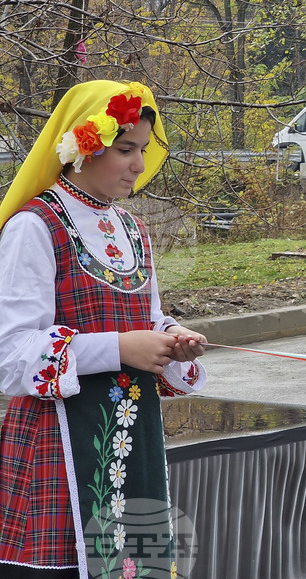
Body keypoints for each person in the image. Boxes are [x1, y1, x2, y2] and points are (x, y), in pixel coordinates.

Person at [0, 80, 207, 578]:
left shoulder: (131, 227)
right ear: (84, 147)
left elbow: (146, 317)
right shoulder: (35, 226)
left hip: (134, 440)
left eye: (142, 150)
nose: (139, 165)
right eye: (125, 150)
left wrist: (172, 339)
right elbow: (11, 355)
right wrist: (121, 348)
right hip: (58, 445)